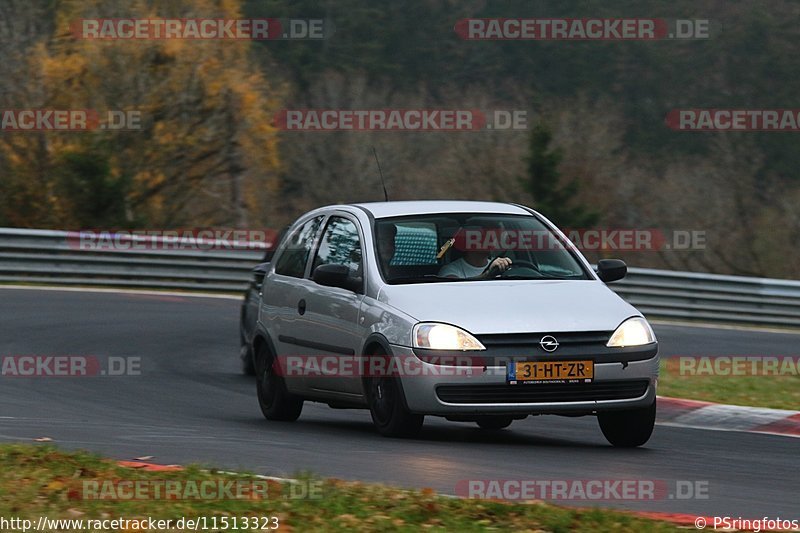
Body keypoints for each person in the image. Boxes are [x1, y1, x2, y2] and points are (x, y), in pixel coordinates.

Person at [438, 250, 512, 279]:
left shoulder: (499, 266)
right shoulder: (449, 270)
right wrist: (487, 274)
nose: (490, 241)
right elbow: (455, 288)